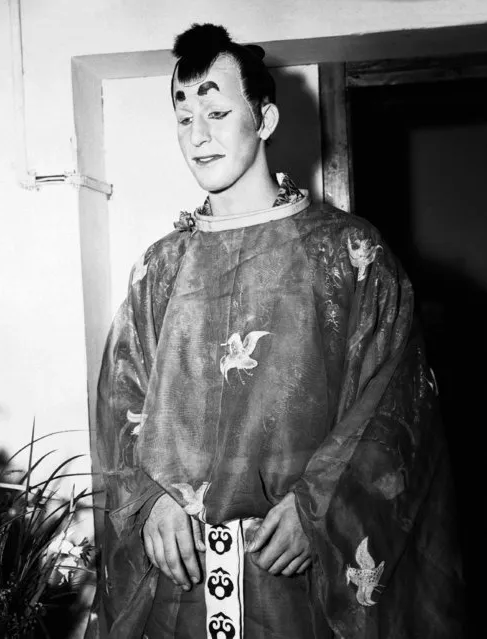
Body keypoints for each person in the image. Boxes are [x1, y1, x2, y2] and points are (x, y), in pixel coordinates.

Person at [88, 23, 464, 639]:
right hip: (180, 583)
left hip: (295, 575)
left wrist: (321, 509)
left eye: (215, 110)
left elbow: (393, 408)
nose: (198, 136)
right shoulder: (160, 268)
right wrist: (150, 500)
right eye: (184, 118)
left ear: (263, 119)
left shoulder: (348, 253)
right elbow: (118, 406)